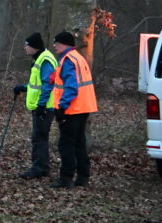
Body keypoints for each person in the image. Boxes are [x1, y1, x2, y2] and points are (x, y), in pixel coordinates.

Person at [50, 31, 98, 188]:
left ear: (63, 44)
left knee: (66, 144)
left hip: (72, 109)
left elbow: (71, 87)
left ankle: (66, 178)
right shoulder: (78, 58)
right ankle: (83, 177)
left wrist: (62, 107)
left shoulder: (68, 60)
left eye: (56, 43)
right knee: (79, 143)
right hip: (84, 108)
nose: (54, 46)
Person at [12, 32, 58, 179]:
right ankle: (42, 167)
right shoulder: (40, 58)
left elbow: (48, 84)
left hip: (45, 106)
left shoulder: (45, 60)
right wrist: (23, 87)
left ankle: (39, 168)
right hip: (43, 105)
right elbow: (36, 84)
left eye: (26, 45)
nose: (25, 48)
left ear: (34, 47)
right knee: (40, 137)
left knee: (39, 137)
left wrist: (41, 105)